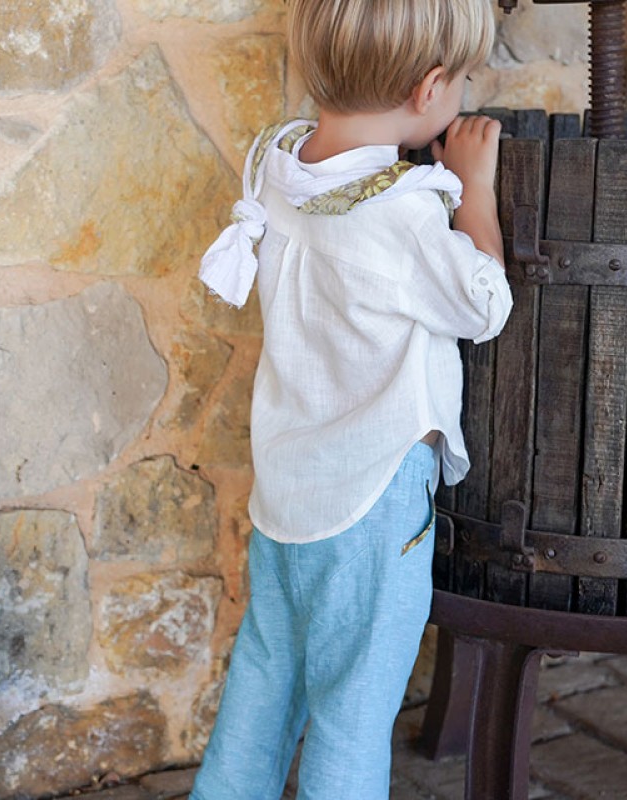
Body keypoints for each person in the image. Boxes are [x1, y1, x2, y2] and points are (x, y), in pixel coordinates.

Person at [190, 0, 512, 797]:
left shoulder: (277, 158)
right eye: (464, 79)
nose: (464, 94)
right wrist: (473, 188)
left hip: (289, 489)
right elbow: (483, 303)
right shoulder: (399, 213)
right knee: (353, 705)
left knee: (266, 679)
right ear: (429, 87)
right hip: (372, 501)